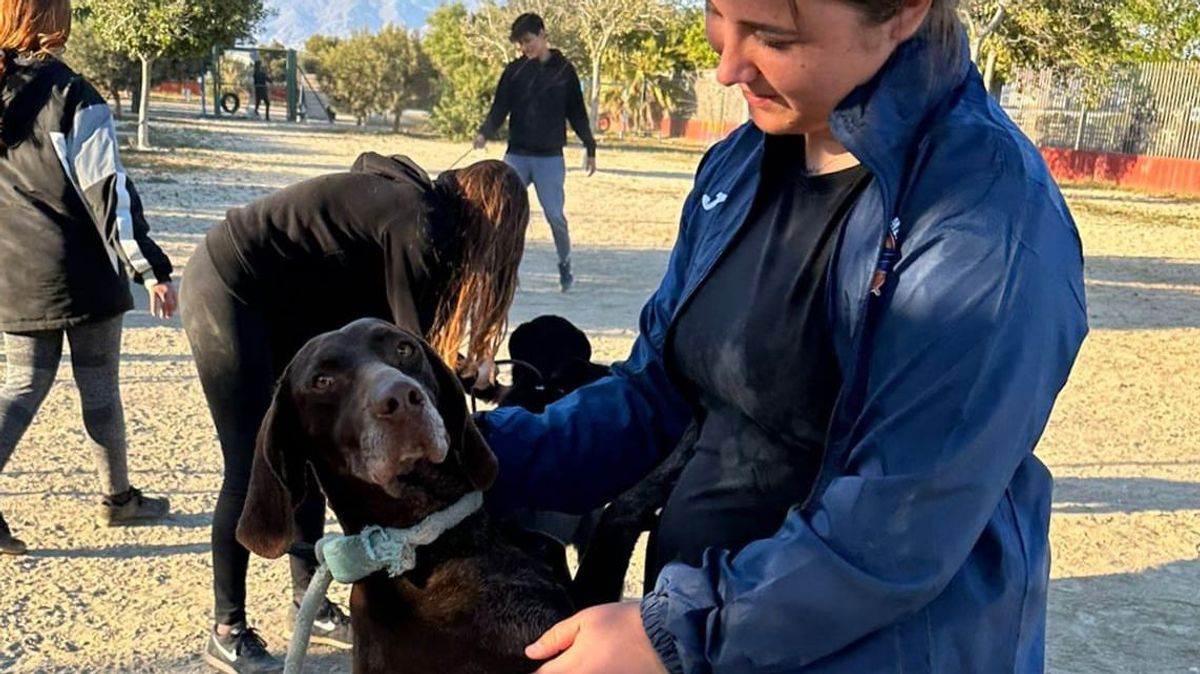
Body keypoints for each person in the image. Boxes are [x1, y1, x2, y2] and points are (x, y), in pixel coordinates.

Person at [474, 0, 1089, 672]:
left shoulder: (984, 222)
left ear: (902, 13)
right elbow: (655, 398)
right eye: (717, 15)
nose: (727, 65)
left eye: (772, 35)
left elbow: (896, 529)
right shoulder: (738, 166)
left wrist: (679, 633)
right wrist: (469, 455)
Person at [180, 153, 529, 673]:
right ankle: (227, 628)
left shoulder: (410, 209)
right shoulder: (418, 221)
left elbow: (402, 354)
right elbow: (420, 354)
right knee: (251, 462)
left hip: (280, 302)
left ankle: (310, 600)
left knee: (319, 452)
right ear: (490, 225)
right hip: (229, 288)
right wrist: (463, 375)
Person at [0, 0, 177, 556]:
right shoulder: (74, 95)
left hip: (13, 272)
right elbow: (109, 191)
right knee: (99, 387)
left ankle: (120, 497)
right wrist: (150, 268)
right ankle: (118, 500)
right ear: (56, 21)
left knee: (23, 386)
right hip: (80, 271)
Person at [474, 12, 597, 293]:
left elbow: (577, 113)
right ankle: (506, 270)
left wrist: (590, 146)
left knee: (555, 215)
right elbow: (499, 108)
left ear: (543, 35)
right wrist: (484, 133)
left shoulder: (564, 71)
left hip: (550, 159)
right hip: (517, 155)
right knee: (504, 213)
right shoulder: (514, 71)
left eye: (528, 40)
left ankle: (565, 264)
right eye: (520, 44)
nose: (525, 48)